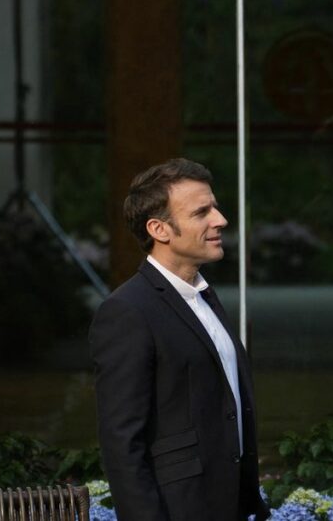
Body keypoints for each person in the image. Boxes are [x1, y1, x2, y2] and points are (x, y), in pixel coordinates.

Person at [90, 159, 270, 521]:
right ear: (159, 229)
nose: (220, 220)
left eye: (215, 207)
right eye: (201, 212)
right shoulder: (127, 312)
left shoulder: (204, 296)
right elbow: (122, 443)